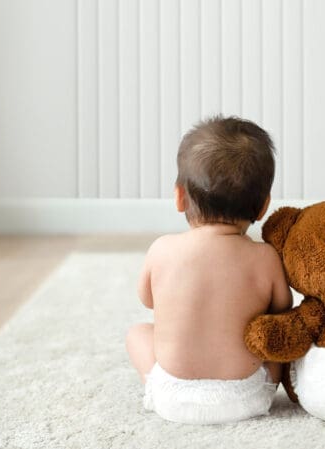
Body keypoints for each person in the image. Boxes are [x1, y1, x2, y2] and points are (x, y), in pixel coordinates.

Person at [125, 116, 292, 424]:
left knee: (139, 333)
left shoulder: (161, 249)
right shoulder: (265, 257)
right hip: (247, 396)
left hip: (172, 397)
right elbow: (283, 310)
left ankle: (158, 388)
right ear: (263, 206)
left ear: (179, 196)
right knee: (278, 342)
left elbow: (148, 301)